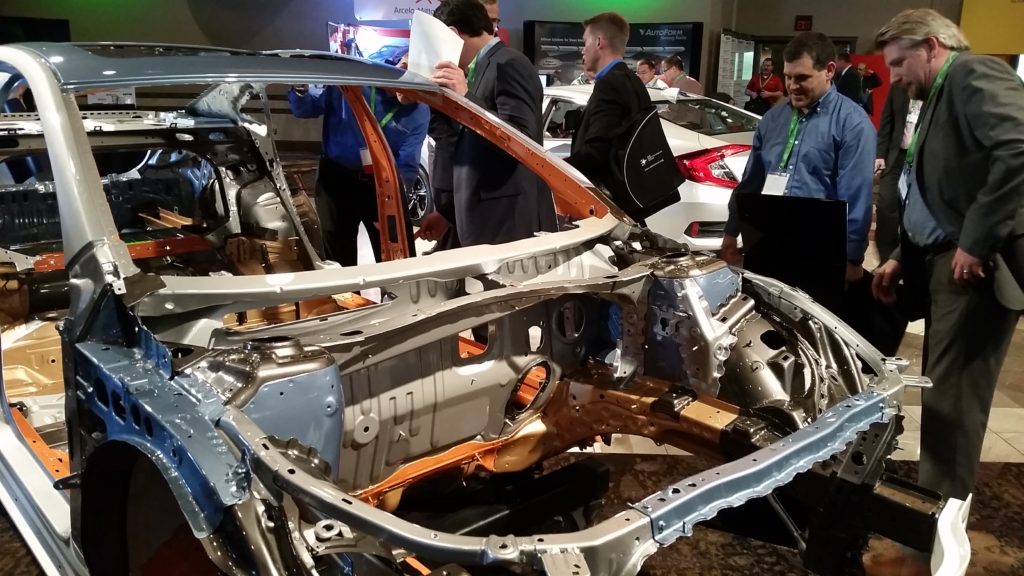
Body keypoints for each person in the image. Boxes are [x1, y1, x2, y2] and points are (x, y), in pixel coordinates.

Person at [872, 7, 1024, 507]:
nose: (893, 77)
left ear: (932, 46)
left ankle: (938, 531)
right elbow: (936, 188)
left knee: (953, 406)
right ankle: (934, 515)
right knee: (941, 397)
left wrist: (976, 241)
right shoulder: (939, 92)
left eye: (898, 63)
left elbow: (1018, 147)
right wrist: (900, 253)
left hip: (975, 272)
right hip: (938, 263)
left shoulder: (973, 73)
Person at [720, 32, 876, 287]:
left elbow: (856, 197)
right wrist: (731, 233)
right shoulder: (772, 120)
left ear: (828, 71)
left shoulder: (853, 124)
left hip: (820, 250)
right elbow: (751, 182)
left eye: (802, 78)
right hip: (767, 242)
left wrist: (852, 258)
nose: (792, 86)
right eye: (789, 77)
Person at [417, 0, 557, 247]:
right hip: (480, 218)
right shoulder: (478, 68)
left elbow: (523, 141)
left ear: (452, 34)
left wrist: (467, 98)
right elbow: (457, 138)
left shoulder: (509, 63)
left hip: (506, 222)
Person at [290, 84, 428, 266]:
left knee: (397, 260)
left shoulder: (420, 111)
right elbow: (305, 109)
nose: (415, 97)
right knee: (339, 262)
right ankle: (346, 295)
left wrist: (393, 208)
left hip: (382, 186)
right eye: (412, 86)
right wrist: (300, 88)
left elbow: (407, 164)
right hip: (336, 180)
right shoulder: (352, 82)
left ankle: (396, 294)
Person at [564, 11, 653, 215]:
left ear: (598, 42)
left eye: (584, 42)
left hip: (606, 202)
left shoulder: (609, 84)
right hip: (626, 199)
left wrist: (557, 169)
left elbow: (598, 150)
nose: (582, 51)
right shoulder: (632, 81)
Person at [874, 84, 921, 261]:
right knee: (886, 206)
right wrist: (880, 155)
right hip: (896, 157)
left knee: (911, 213)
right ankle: (886, 260)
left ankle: (905, 260)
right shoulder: (898, 87)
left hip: (920, 161)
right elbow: (886, 123)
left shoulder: (937, 87)